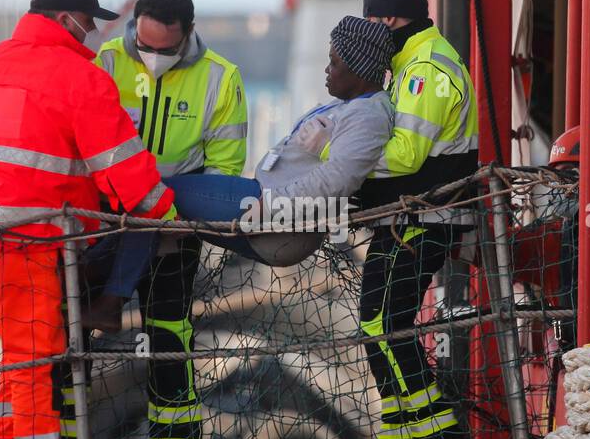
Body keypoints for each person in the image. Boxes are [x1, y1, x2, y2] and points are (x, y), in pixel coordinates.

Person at [0, 0, 176, 439]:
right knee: (32, 362)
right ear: (67, 19)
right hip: (25, 241)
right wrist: (167, 211)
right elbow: (124, 171)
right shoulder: (79, 78)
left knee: (19, 358)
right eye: (89, 21)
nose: (92, 31)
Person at [93, 0, 246, 439]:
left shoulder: (220, 78)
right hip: (107, 222)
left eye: (165, 50)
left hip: (177, 228)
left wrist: (189, 225)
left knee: (170, 343)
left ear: (187, 35)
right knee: (80, 341)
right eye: (145, 45)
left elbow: (224, 171)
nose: (153, 58)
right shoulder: (107, 62)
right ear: (134, 27)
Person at [335, 0, 480, 439]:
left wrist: (340, 164)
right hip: (408, 218)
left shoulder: (426, 69)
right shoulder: (414, 61)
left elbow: (404, 154)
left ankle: (437, 433)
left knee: (384, 324)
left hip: (423, 219)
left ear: (391, 18)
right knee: (378, 325)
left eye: (373, 23)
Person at [107, 16, 395, 276]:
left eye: (334, 62)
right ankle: (121, 285)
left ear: (359, 69)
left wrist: (269, 208)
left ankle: (109, 296)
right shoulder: (351, 105)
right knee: (159, 208)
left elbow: (337, 179)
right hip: (264, 208)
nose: (326, 69)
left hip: (272, 220)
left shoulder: (367, 116)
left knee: (152, 193)